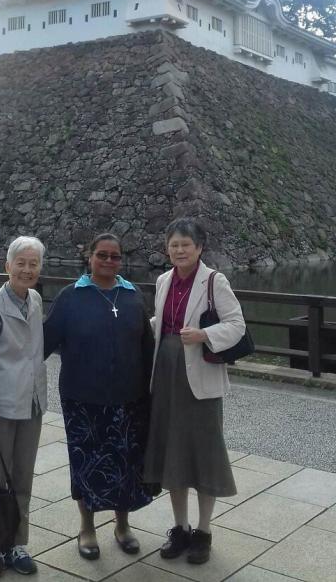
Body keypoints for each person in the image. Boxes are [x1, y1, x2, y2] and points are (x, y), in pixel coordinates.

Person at [44, 233, 155, 560]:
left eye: (115, 256)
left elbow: (147, 348)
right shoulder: (70, 297)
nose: (108, 261)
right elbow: (43, 343)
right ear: (89, 257)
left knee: (125, 463)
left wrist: (154, 391)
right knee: (86, 464)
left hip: (129, 397)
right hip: (83, 398)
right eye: (102, 255)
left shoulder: (132, 295)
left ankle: (123, 526)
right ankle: (87, 528)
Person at [144, 218, 245, 566]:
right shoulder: (163, 280)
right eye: (174, 244)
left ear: (200, 248)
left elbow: (236, 324)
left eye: (186, 244)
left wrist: (204, 335)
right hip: (167, 372)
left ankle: (203, 530)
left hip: (200, 375)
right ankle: (179, 527)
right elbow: (160, 322)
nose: (179, 250)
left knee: (204, 452)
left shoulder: (215, 281)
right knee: (173, 448)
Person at [0, 236, 47, 578]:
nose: (27, 270)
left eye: (33, 264)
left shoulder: (35, 299)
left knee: (21, 478)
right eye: (21, 263)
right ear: (8, 266)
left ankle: (16, 542)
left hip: (30, 404)